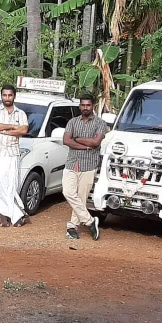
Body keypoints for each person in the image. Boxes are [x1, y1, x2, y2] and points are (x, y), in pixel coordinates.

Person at [62, 93, 108, 240]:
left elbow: (96, 142)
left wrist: (77, 139)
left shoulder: (100, 123)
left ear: (92, 106)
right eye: (83, 105)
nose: (85, 108)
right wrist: (85, 146)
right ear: (79, 106)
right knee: (68, 192)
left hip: (89, 165)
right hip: (72, 163)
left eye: (88, 105)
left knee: (81, 199)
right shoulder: (73, 122)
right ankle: (90, 221)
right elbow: (66, 140)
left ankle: (72, 227)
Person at [0, 84, 30, 227]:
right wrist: (12, 127)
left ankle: (12, 213)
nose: (7, 98)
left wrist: (3, 129)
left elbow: (23, 130)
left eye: (9, 95)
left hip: (11, 153)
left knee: (10, 184)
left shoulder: (20, 113)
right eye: (4, 95)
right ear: (1, 96)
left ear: (14, 96)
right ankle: (7, 213)